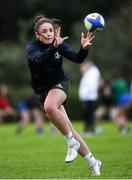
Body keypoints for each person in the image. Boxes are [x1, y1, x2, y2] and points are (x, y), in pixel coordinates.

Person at [26, 15, 102, 176]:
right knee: (70, 129)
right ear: (37, 35)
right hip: (42, 91)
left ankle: (71, 143)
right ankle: (93, 162)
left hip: (60, 84)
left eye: (51, 30)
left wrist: (84, 48)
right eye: (44, 32)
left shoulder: (59, 44)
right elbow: (40, 60)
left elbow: (77, 58)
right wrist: (54, 46)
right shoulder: (32, 48)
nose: (48, 34)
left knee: (49, 107)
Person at [78, 61, 101, 135]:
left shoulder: (91, 74)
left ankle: (89, 130)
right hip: (88, 97)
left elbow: (91, 86)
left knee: (88, 114)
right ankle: (88, 130)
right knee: (88, 114)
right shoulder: (89, 74)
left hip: (89, 98)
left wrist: (86, 95)